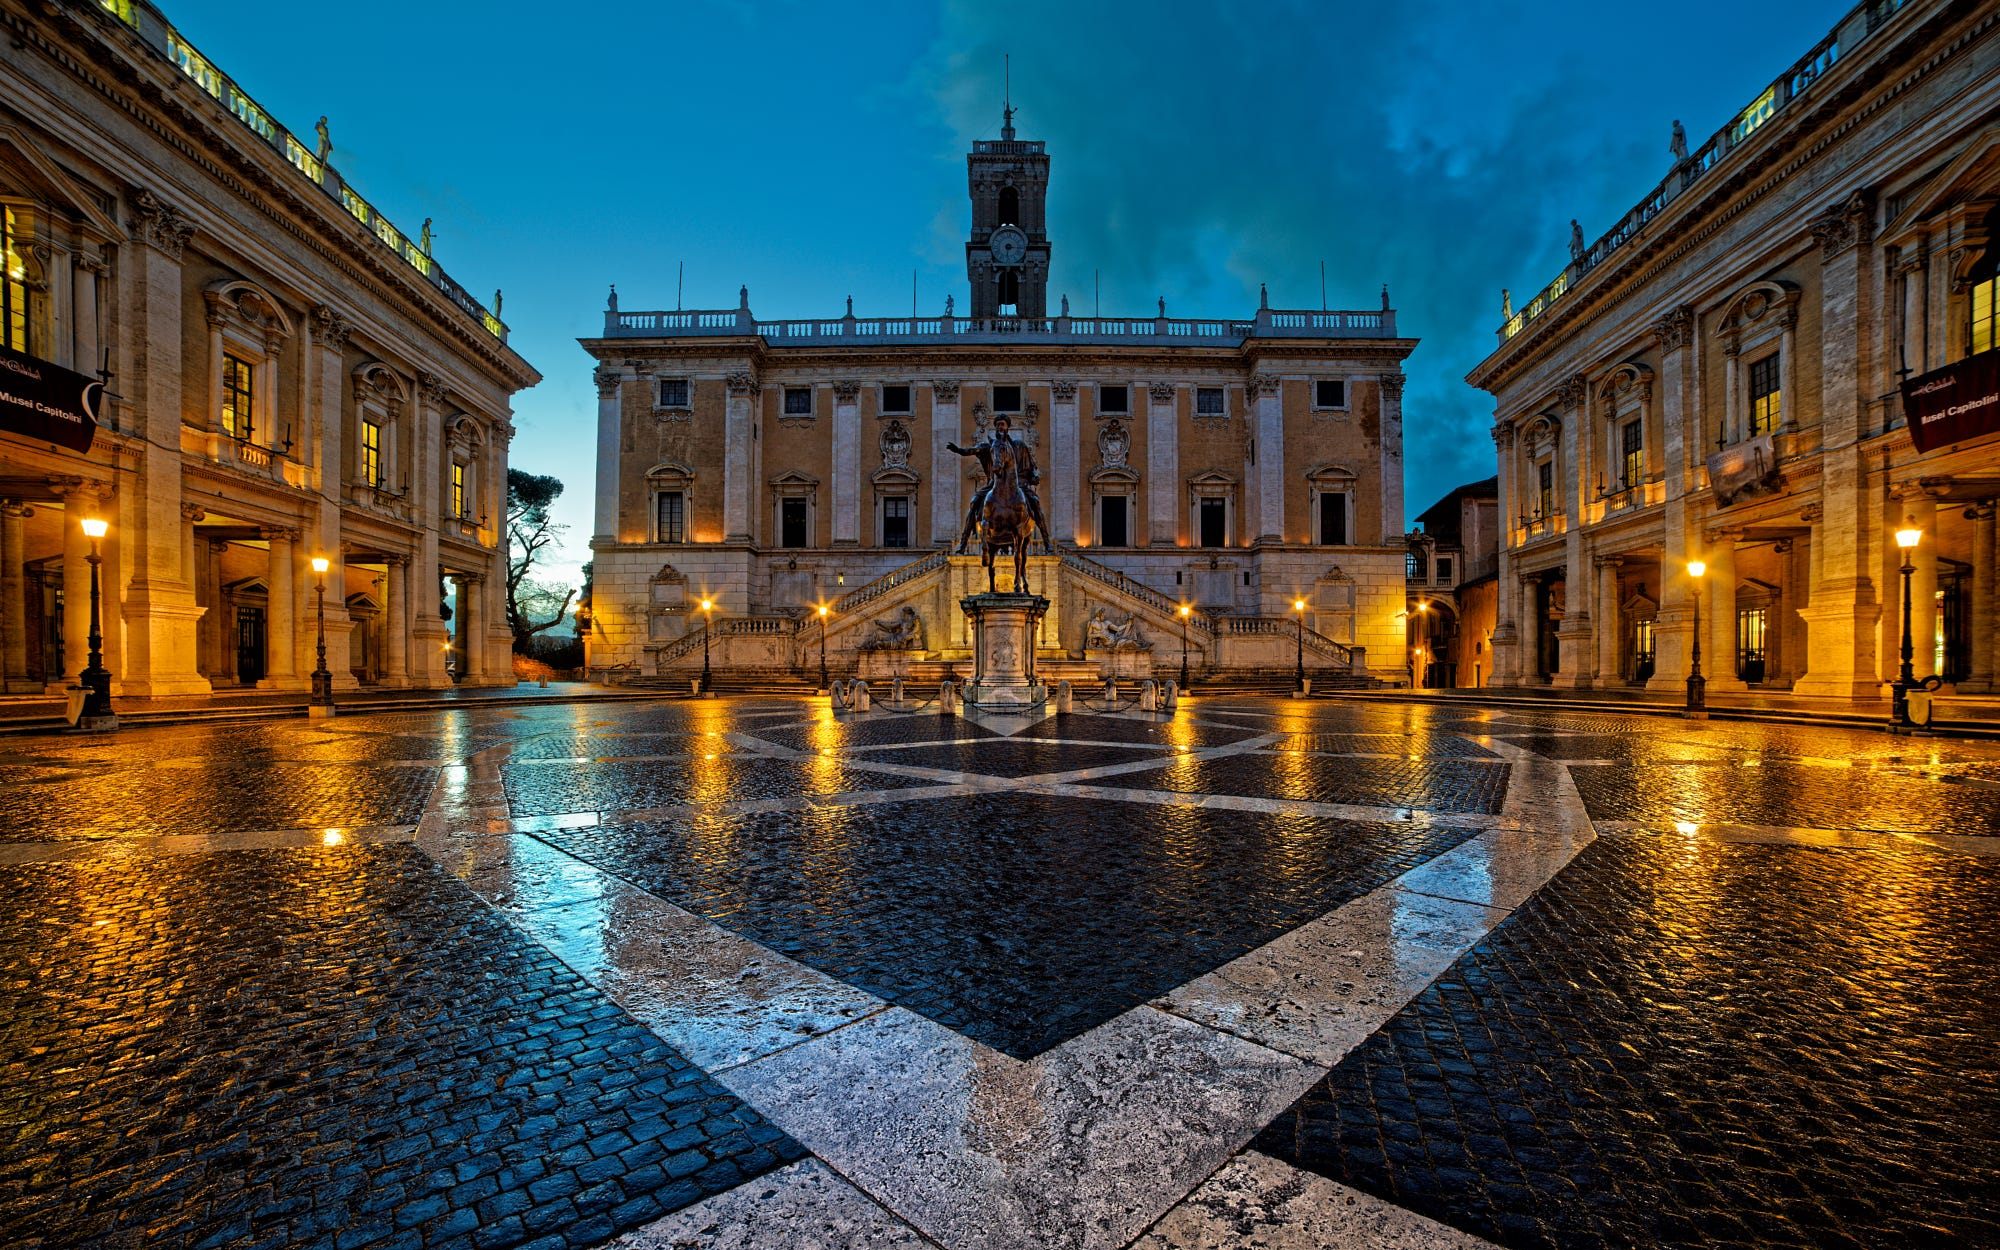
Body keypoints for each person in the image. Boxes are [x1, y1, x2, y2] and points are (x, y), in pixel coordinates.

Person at [946, 413, 1053, 555]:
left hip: (1020, 484)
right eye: (997, 425)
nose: (999, 427)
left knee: (1036, 503)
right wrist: (959, 450)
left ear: (1008, 427)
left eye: (1002, 424)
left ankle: (1046, 542)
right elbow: (973, 450)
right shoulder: (990, 446)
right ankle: (963, 542)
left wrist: (1034, 475)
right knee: (974, 502)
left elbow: (1032, 466)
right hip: (994, 484)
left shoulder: (1020, 446)